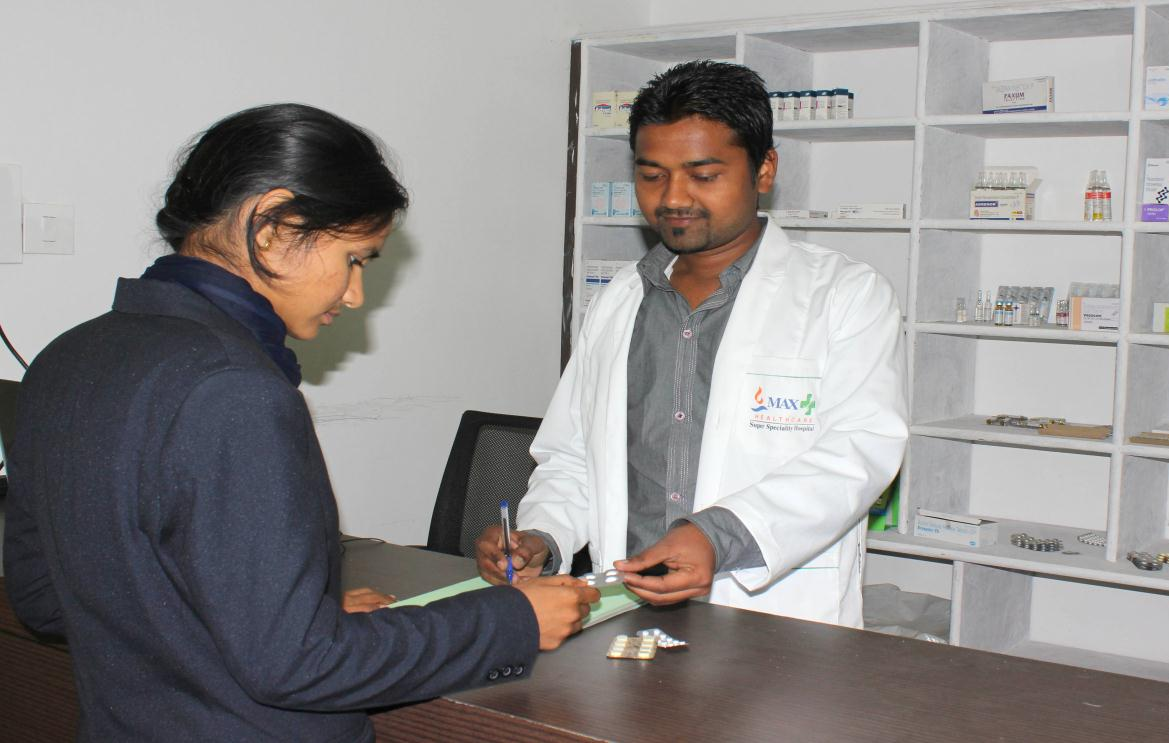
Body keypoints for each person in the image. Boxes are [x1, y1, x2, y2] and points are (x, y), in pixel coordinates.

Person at [2, 103, 598, 742]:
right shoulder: (233, 390)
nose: (353, 295)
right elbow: (299, 666)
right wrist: (510, 620)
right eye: (356, 259)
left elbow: (46, 595)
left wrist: (264, 615)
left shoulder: (64, 360)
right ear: (273, 226)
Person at [476, 61, 908, 627]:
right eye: (652, 175)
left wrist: (717, 536)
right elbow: (574, 455)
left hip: (770, 613)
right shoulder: (619, 301)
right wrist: (541, 535)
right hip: (624, 606)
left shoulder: (844, 295)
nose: (674, 197)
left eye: (703, 175)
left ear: (764, 170)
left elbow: (859, 454)